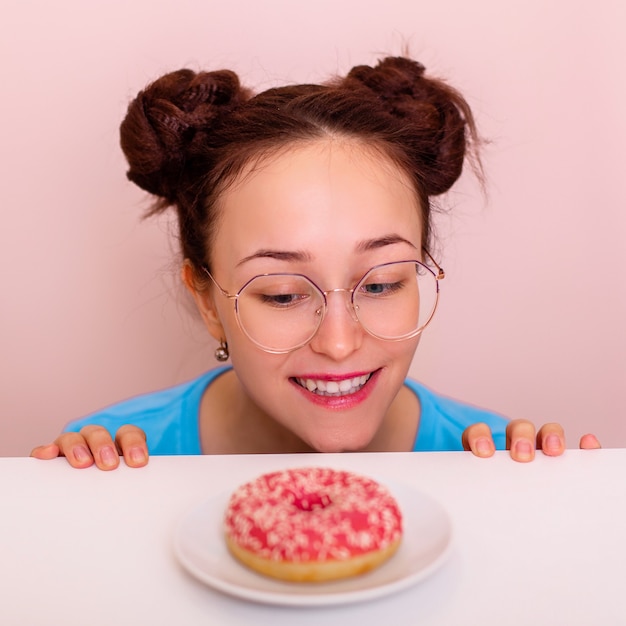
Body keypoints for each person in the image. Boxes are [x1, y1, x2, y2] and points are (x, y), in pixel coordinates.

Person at [31, 55, 600, 470]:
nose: (339, 342)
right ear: (206, 298)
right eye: (282, 294)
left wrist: (554, 519)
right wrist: (79, 513)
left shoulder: (496, 467)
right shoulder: (112, 462)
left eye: (380, 284)